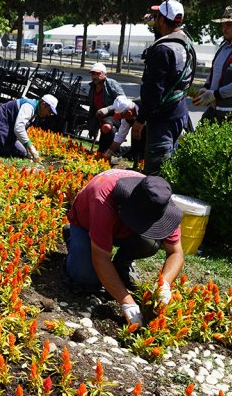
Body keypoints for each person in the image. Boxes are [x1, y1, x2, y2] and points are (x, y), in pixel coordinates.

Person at [65, 170, 185, 328]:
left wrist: (164, 284)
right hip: (86, 225)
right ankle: (72, 237)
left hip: (121, 227)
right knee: (86, 277)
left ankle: (121, 263)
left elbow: (176, 252)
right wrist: (127, 302)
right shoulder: (103, 199)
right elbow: (100, 257)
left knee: (149, 242)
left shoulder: (159, 203)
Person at [133, 0, 195, 178]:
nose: (154, 18)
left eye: (157, 16)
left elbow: (154, 91)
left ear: (161, 20)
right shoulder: (185, 41)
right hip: (179, 111)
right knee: (169, 166)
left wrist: (140, 120)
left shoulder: (162, 49)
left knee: (156, 171)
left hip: (163, 118)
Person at [0, 95, 58, 160]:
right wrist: (31, 148)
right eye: (49, 111)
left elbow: (20, 129)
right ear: (43, 104)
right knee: (10, 149)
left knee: (22, 152)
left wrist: (27, 150)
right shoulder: (29, 107)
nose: (49, 114)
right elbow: (19, 128)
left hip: (1, 128)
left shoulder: (35, 110)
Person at [87, 62, 124, 151]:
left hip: (114, 115)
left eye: (98, 74)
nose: (95, 76)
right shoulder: (92, 87)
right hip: (100, 115)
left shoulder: (112, 84)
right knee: (97, 128)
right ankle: (102, 150)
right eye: (93, 73)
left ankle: (113, 150)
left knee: (106, 126)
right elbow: (93, 107)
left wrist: (107, 109)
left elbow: (122, 101)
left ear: (105, 74)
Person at [97, 95, 142, 167]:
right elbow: (120, 135)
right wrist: (109, 153)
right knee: (135, 137)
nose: (120, 118)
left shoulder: (143, 108)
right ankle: (137, 164)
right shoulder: (126, 117)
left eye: (121, 115)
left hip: (154, 122)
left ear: (129, 112)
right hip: (141, 124)